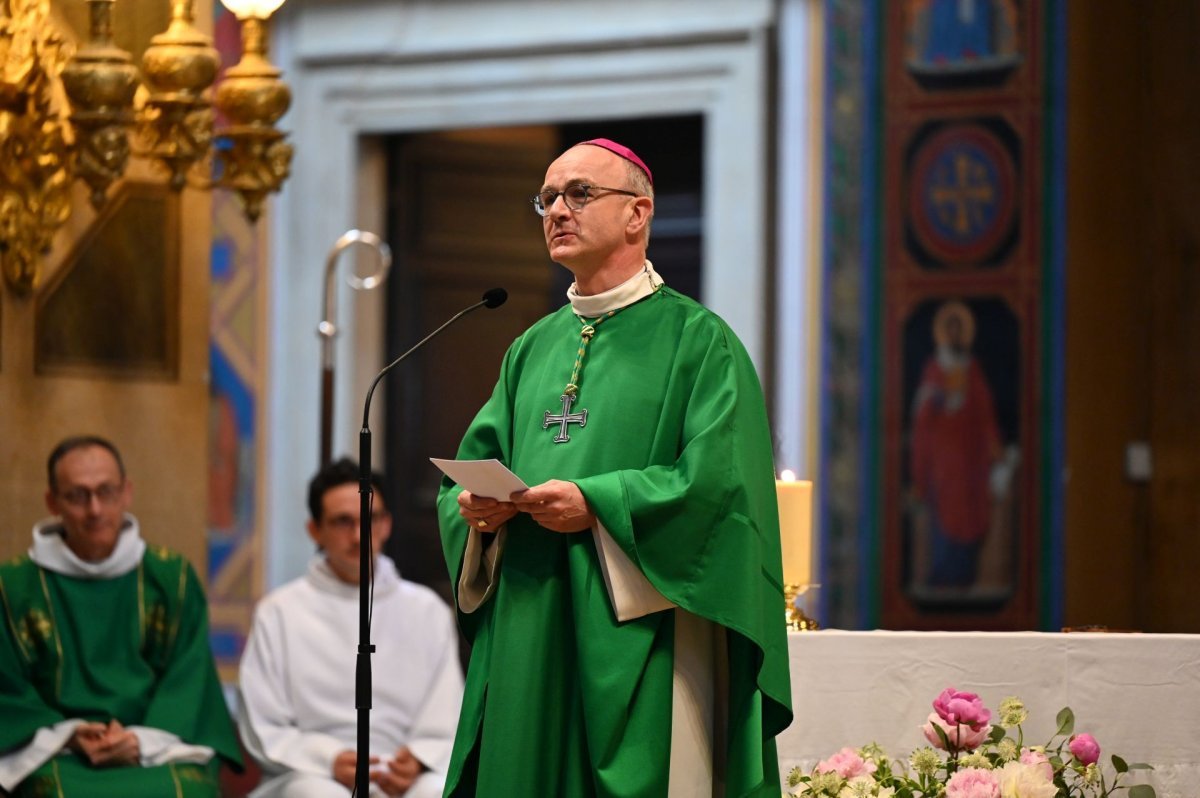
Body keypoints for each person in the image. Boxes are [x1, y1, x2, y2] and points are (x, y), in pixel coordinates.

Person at [436, 139, 793, 797]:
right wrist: (478, 515)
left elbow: (721, 489)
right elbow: (469, 471)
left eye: (578, 193)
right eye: (546, 198)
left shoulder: (699, 342)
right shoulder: (530, 348)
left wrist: (597, 504)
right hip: (530, 629)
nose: (556, 211)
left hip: (638, 636)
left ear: (638, 214)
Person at [0, 435, 242, 797]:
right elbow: (8, 691)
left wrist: (139, 741)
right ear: (52, 502)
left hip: (157, 745)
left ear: (126, 492)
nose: (95, 509)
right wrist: (69, 734)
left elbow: (189, 680)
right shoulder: (14, 586)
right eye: (78, 496)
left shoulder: (170, 577)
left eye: (106, 492)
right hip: (55, 750)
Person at [238, 458, 463, 798]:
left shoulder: (427, 609)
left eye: (369, 519)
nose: (359, 536)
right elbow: (264, 724)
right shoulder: (279, 612)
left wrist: (418, 759)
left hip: (401, 776)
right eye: (343, 522)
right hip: (312, 774)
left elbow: (446, 713)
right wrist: (329, 759)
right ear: (315, 530)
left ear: (386, 525)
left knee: (435, 792)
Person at [908, 300, 1017, 591]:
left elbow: (986, 414)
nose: (955, 336)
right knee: (945, 522)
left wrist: (996, 449)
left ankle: (965, 577)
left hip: (972, 462)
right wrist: (939, 398)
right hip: (943, 464)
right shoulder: (934, 369)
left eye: (959, 330)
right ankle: (943, 575)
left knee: (971, 517)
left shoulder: (972, 370)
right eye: (951, 330)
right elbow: (923, 413)